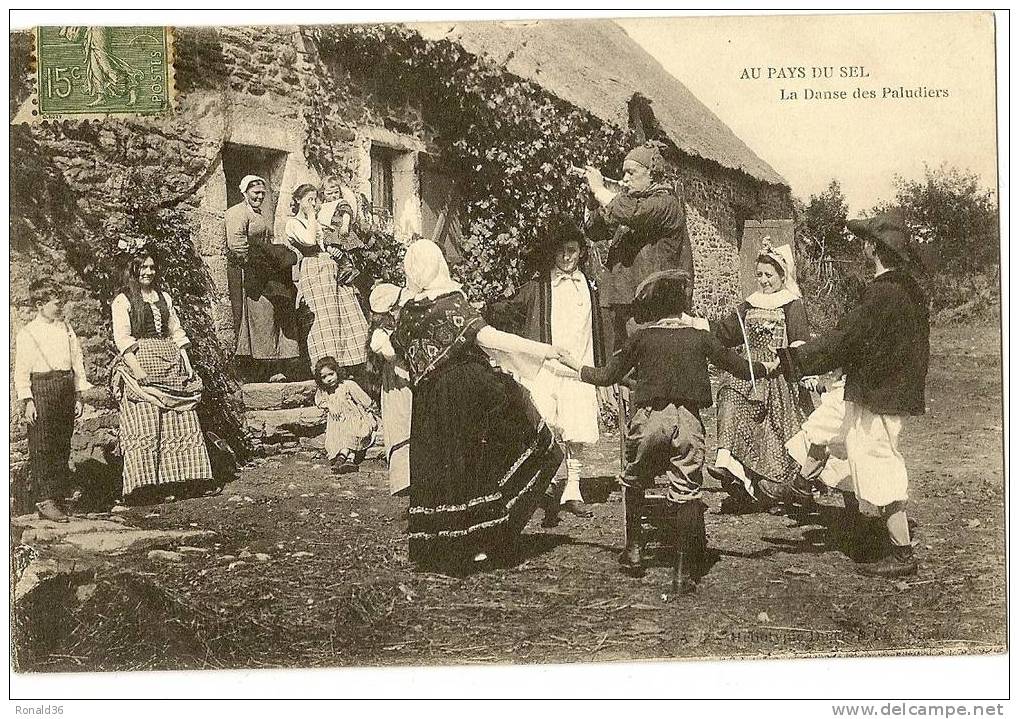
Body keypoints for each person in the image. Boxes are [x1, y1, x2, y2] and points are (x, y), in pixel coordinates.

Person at [559, 270, 774, 594]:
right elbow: (740, 367)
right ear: (683, 307)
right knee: (687, 491)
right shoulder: (699, 337)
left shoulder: (642, 338)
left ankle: (633, 552)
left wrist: (574, 365)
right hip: (687, 421)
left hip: (648, 420)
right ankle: (682, 572)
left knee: (634, 480)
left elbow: (606, 376)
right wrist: (767, 367)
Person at [389, 239, 565, 573]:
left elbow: (395, 353)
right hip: (467, 395)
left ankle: (440, 544)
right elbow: (491, 338)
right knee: (477, 462)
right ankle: (482, 541)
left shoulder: (408, 314)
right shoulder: (452, 304)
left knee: (441, 467)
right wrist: (545, 350)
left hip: (428, 404)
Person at [778, 210, 930, 578]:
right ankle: (804, 488)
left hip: (879, 391)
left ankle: (902, 554)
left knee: (880, 463)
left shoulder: (882, 294)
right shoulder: (910, 291)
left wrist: (797, 358)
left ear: (872, 248)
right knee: (841, 436)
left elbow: (847, 339)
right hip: (885, 388)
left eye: (865, 242)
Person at [489, 216, 605, 526]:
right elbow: (509, 312)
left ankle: (573, 489)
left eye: (572, 251)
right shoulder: (538, 286)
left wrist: (602, 369)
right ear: (552, 253)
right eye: (561, 252)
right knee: (544, 425)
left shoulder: (589, 288)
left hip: (578, 369)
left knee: (576, 430)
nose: (567, 258)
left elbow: (599, 328)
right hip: (545, 368)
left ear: (581, 251)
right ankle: (544, 485)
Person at [707, 240, 818, 511]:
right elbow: (725, 331)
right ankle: (731, 467)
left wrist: (803, 374)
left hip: (780, 374)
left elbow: (800, 342)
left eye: (769, 275)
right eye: (759, 275)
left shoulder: (792, 305)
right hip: (750, 373)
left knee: (776, 429)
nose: (764, 280)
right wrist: (693, 324)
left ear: (782, 275)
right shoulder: (749, 304)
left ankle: (778, 488)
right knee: (729, 397)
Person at [111, 249, 216, 502]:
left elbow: (176, 332)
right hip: (142, 364)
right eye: (143, 268)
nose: (148, 272)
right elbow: (123, 338)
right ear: (133, 271)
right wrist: (137, 370)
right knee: (147, 423)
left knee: (178, 421)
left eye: (152, 267)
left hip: (170, 362)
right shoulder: (123, 300)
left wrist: (187, 363)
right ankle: (145, 487)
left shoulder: (164, 298)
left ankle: (183, 481)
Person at [581, 143, 694, 351]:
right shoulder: (630, 203)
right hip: (621, 302)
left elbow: (631, 214)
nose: (625, 179)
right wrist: (592, 200)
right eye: (624, 173)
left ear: (652, 174)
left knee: (646, 371)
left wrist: (600, 189)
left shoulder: (666, 203)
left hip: (649, 308)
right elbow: (595, 232)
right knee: (619, 373)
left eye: (631, 172)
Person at [14, 278, 93, 522]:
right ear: (40, 305)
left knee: (62, 443)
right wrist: (28, 400)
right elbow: (21, 371)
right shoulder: (28, 333)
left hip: (65, 387)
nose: (60, 308)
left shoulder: (66, 329)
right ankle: (44, 500)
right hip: (41, 388)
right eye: (55, 304)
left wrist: (78, 394)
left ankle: (57, 496)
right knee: (42, 445)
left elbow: (77, 361)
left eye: (61, 303)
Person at [285, 183, 370, 371]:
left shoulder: (315, 221)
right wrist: (310, 214)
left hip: (330, 270)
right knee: (323, 320)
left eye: (315, 200)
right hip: (313, 272)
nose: (314, 203)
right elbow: (308, 241)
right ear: (298, 201)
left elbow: (324, 243)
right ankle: (325, 368)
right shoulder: (293, 223)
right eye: (309, 200)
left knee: (343, 315)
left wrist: (332, 250)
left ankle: (347, 365)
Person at [226, 175, 301, 382]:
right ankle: (262, 367)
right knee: (259, 315)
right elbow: (236, 245)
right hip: (248, 270)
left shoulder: (259, 214)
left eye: (262, 193)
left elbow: (266, 241)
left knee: (274, 311)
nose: (259, 196)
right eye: (255, 193)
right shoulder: (237, 213)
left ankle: (278, 361)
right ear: (244, 192)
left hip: (264, 268)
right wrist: (261, 261)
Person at [368, 283, 412, 497]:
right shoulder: (380, 334)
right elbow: (390, 354)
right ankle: (403, 479)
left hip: (409, 379)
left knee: (412, 420)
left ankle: (418, 474)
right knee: (400, 422)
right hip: (397, 382)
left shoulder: (399, 327)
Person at [313, 356, 378, 473]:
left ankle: (344, 458)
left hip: (354, 418)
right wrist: (330, 406)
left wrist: (369, 413)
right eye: (324, 377)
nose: (328, 379)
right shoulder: (324, 391)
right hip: (337, 422)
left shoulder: (348, 385)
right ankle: (348, 459)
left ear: (337, 372)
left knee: (351, 431)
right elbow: (319, 401)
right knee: (340, 433)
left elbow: (365, 400)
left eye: (331, 374)